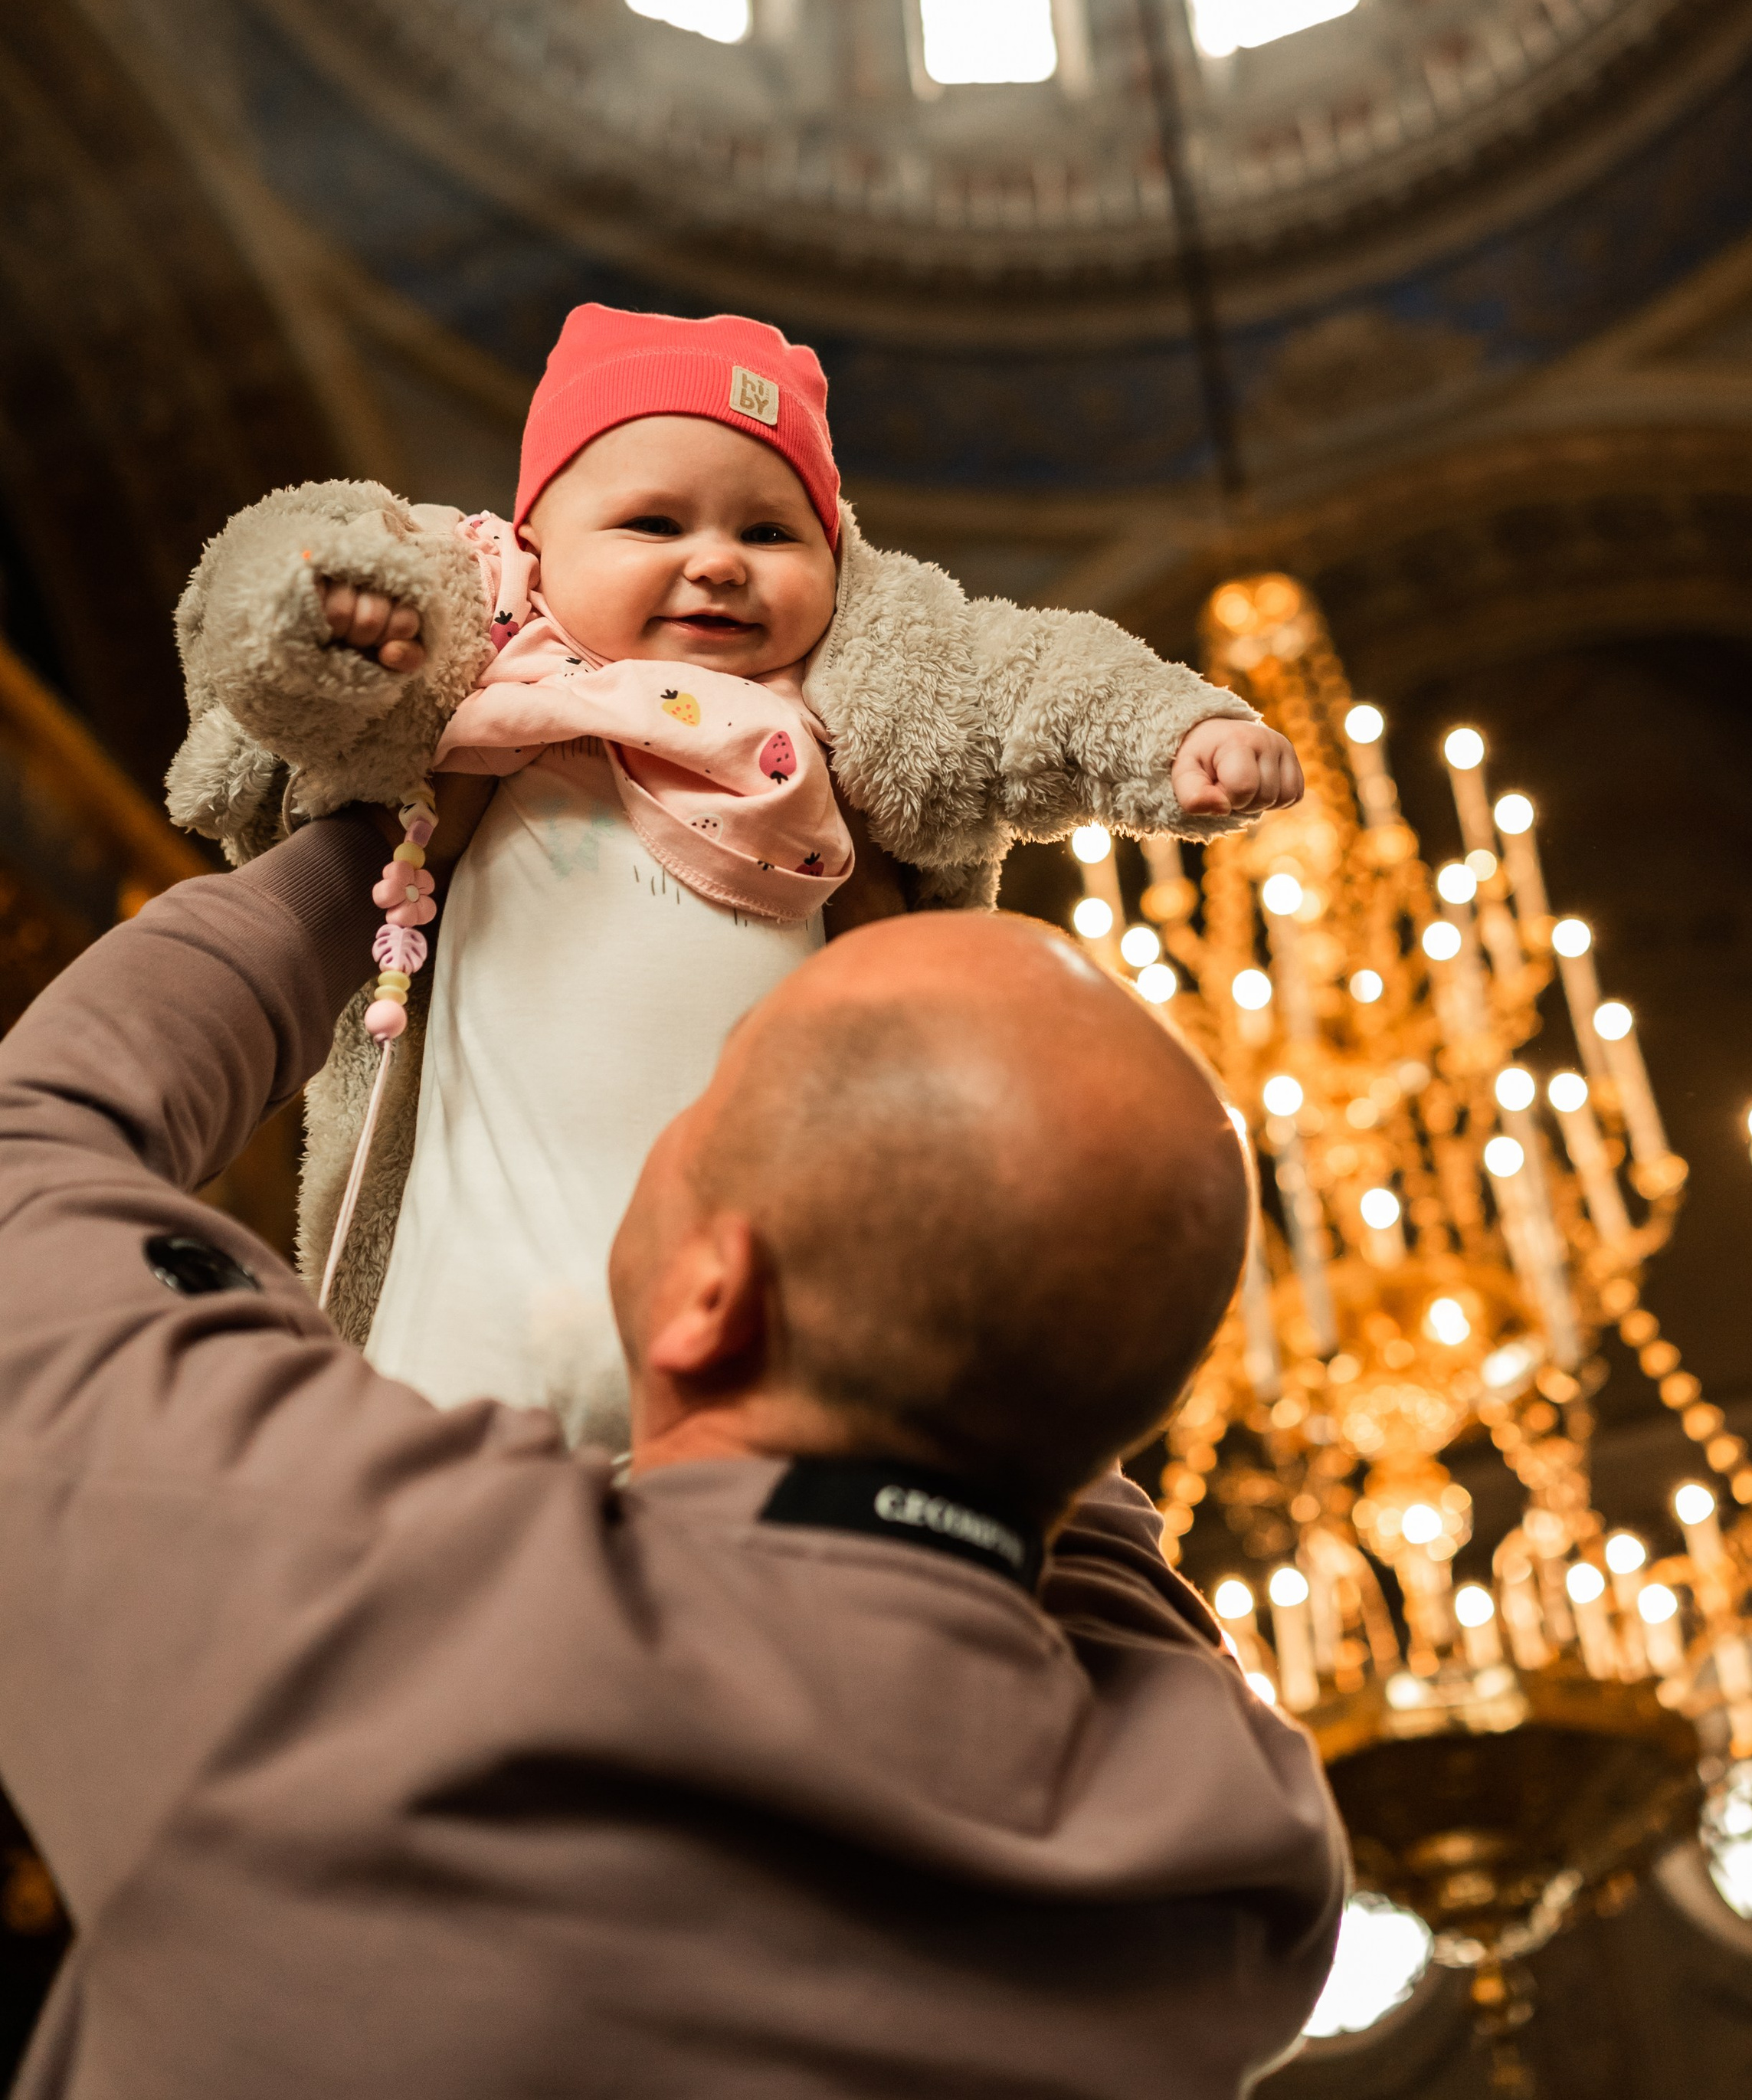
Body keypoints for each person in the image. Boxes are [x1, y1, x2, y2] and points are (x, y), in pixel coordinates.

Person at [0, 822, 1344, 2098]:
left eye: (716, 1083)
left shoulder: (359, 1592)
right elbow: (1056, 1427)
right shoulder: (1231, 1848)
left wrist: (391, 855)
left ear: (713, 1296)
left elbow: (31, 1148)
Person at [165, 305, 1304, 1446]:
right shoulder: (491, 673)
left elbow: (1024, 679)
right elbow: (292, 678)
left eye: (770, 534)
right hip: (484, 1272)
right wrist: (336, 624)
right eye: (653, 522)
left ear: (838, 563)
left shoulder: (845, 697)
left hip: (777, 1278)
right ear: (533, 549)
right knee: (455, 1521)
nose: (716, 562)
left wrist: (1173, 733)